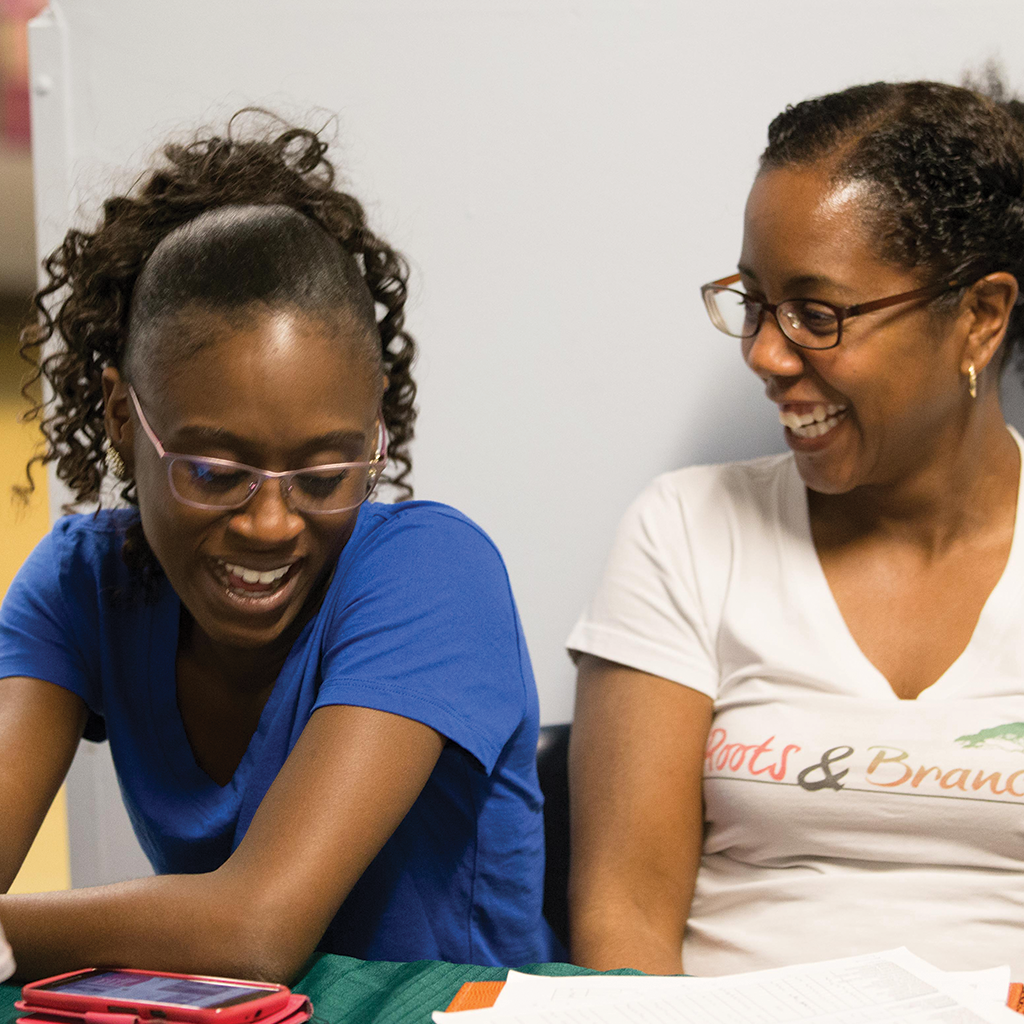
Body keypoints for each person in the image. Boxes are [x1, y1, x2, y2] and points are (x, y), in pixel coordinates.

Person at [0, 113, 557, 981]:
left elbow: (256, 929)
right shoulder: (82, 584)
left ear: (375, 432)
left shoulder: (434, 575)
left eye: (326, 472)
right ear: (121, 418)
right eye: (215, 472)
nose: (271, 523)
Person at [567, 78, 1024, 977]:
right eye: (754, 303)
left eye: (817, 315)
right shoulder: (687, 534)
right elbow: (624, 920)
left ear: (979, 317)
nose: (766, 356)